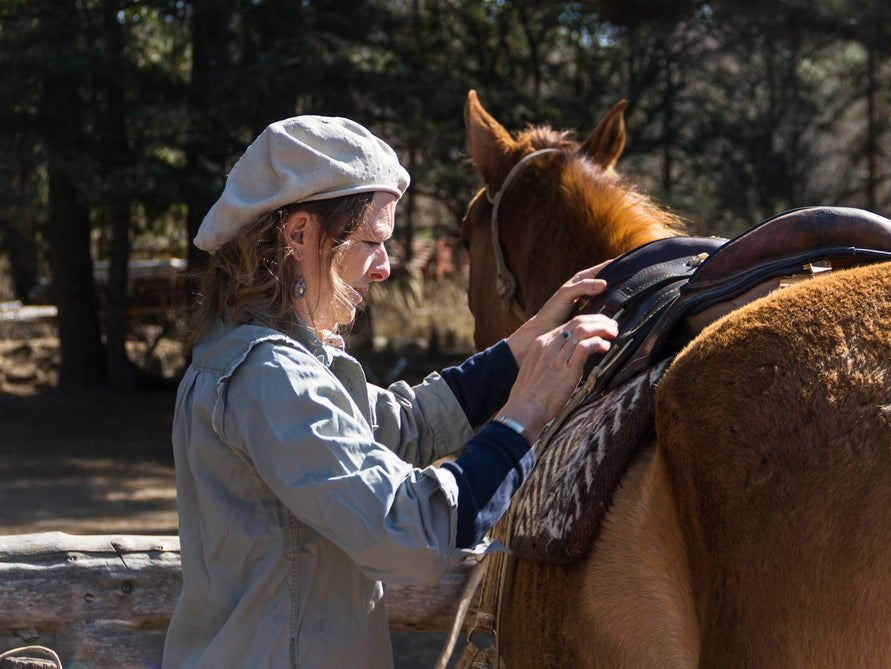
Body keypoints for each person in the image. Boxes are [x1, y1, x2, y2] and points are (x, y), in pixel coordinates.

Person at [162, 115, 618, 668]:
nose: (384, 268)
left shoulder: (254, 356)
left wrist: (520, 348)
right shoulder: (271, 376)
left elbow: (403, 426)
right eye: (372, 241)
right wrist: (524, 416)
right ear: (300, 235)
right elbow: (411, 534)